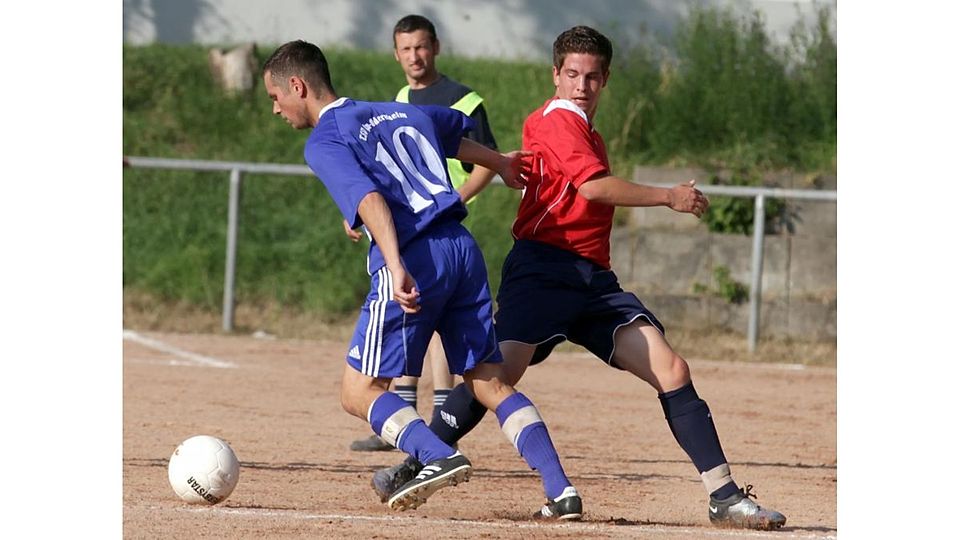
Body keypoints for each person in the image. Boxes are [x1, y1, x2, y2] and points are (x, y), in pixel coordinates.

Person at [371, 26, 787, 530]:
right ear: (556, 75)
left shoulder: (589, 131)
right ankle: (419, 462)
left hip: (592, 281)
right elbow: (592, 189)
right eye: (572, 74)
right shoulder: (555, 120)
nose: (581, 85)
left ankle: (723, 496)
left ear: (605, 79)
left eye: (592, 76)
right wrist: (669, 196)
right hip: (543, 271)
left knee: (672, 370)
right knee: (492, 379)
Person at [261, 39, 581, 518]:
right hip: (460, 248)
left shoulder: (324, 141)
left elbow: (370, 200)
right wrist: (500, 164)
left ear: (297, 85)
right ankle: (561, 491)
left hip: (416, 255)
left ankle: (437, 455)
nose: (275, 108)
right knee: (489, 383)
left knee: (359, 391)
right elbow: (454, 136)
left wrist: (394, 263)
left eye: (274, 96)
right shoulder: (396, 110)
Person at [348, 14, 500, 453]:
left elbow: (487, 161)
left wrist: (456, 200)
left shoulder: (465, 100)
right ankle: (402, 414)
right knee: (409, 314)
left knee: (437, 323)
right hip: (411, 225)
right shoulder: (398, 98)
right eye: (406, 49)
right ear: (396, 55)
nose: (415, 56)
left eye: (421, 47)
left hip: (447, 227)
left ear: (435, 47)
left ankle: (437, 423)